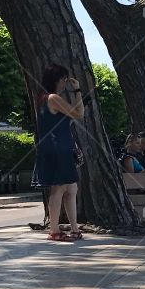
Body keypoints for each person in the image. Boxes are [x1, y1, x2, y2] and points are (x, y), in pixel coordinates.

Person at [34, 63, 84, 242]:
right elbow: (79, 113)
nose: (65, 84)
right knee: (59, 188)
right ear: (56, 80)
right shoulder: (53, 98)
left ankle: (74, 228)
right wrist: (77, 90)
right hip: (57, 148)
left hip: (58, 146)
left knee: (71, 188)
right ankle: (54, 230)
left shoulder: (42, 98)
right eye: (63, 80)